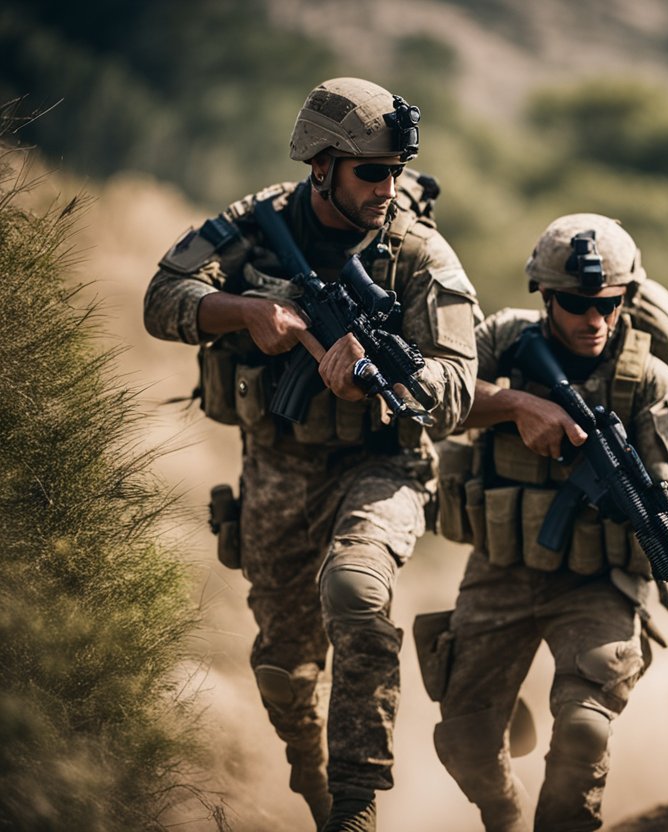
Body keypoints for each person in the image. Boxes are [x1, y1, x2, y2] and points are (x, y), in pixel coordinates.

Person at [143, 77, 479, 831]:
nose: (387, 187)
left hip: (381, 465)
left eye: (396, 170)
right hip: (277, 466)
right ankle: (315, 781)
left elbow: (458, 391)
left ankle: (356, 804)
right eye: (371, 171)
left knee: (357, 595)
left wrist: (386, 378)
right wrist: (246, 312)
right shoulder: (257, 224)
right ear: (320, 166)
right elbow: (161, 298)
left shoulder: (419, 253)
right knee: (284, 670)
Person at [418, 213, 668, 832]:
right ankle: (504, 812)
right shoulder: (507, 341)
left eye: (610, 304)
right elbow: (432, 392)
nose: (596, 321)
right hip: (501, 568)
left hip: (596, 583)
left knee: (583, 729)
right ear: (546, 297)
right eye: (579, 305)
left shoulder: (650, 381)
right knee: (467, 739)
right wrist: (516, 404)